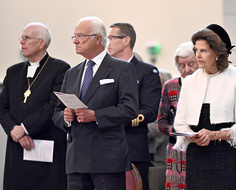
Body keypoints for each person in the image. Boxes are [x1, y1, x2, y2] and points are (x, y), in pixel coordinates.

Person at [52, 16, 138, 190]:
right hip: (76, 158)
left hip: (107, 157)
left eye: (81, 36)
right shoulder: (72, 73)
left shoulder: (122, 69)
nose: (75, 41)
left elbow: (130, 109)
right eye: (74, 36)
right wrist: (66, 117)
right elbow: (57, 113)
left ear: (98, 38)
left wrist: (96, 115)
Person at [173, 24, 236, 189]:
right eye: (196, 50)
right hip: (197, 156)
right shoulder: (190, 82)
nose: (198, 55)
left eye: (203, 51)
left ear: (217, 53)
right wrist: (191, 136)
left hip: (227, 158)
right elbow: (180, 123)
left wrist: (214, 134)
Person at [0, 22, 70, 190]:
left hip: (47, 145)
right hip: (17, 146)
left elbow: (54, 105)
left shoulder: (60, 69)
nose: (21, 42)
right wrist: (14, 131)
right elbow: (2, 108)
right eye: (21, 38)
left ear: (41, 43)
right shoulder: (13, 71)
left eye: (26, 38)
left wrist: (25, 127)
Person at [108, 22, 162, 190]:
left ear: (126, 41)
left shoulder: (146, 72)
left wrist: (114, 119)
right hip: (106, 145)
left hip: (132, 145)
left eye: (111, 38)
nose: (107, 43)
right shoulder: (106, 70)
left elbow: (150, 112)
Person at [157, 42, 198, 189]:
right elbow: (161, 122)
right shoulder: (170, 86)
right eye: (182, 65)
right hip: (176, 153)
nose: (187, 69)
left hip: (201, 150)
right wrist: (177, 131)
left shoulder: (207, 85)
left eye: (191, 64)